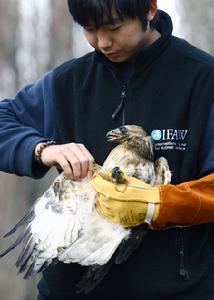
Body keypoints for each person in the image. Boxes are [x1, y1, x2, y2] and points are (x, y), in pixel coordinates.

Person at [0, 0, 214, 299]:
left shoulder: (202, 79)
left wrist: (159, 205)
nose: (102, 42)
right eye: (89, 29)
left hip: (176, 291)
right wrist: (41, 149)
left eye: (114, 27)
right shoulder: (68, 83)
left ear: (150, 9)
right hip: (69, 290)